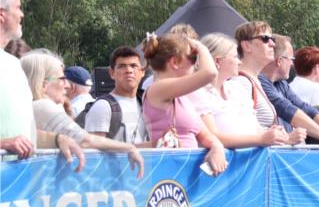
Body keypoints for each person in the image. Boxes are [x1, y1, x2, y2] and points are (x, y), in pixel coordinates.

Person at [1, 0, 85, 168]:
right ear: (1, 14)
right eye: (18, 7)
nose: (22, 14)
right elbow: (11, 140)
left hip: (18, 187)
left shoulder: (14, 65)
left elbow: (25, 134)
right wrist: (3, 145)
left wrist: (57, 140)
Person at [22, 50, 143, 177]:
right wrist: (129, 148)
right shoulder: (43, 106)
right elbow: (85, 140)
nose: (67, 85)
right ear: (43, 84)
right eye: (62, 79)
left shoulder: (32, 107)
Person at [141, 33, 228, 176]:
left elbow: (205, 135)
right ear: (175, 62)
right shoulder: (157, 88)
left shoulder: (182, 99)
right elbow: (210, 73)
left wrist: (217, 147)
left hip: (184, 175)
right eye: (193, 58)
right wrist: (201, 47)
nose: (197, 65)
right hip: (166, 174)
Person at [258, 34, 319, 152]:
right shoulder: (261, 82)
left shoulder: (281, 83)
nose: (292, 64)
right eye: (291, 59)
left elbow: (307, 110)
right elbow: (289, 110)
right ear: (279, 61)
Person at [82, 46, 150, 144]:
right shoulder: (103, 107)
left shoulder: (145, 102)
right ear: (112, 72)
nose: (128, 70)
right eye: (122, 66)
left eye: (134, 66)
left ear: (142, 72)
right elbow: (93, 152)